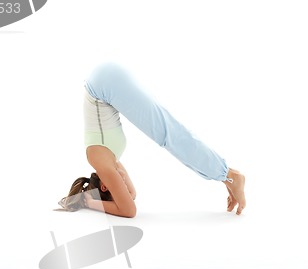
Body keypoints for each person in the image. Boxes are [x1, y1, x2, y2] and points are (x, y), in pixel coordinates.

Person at [59, 64, 246, 217]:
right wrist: (114, 195)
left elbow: (128, 210)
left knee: (170, 136)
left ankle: (229, 175)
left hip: (103, 85)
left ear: (105, 185)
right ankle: (226, 176)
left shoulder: (101, 162)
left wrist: (92, 203)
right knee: (170, 132)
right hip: (106, 79)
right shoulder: (110, 161)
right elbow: (132, 195)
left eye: (118, 186)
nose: (124, 182)